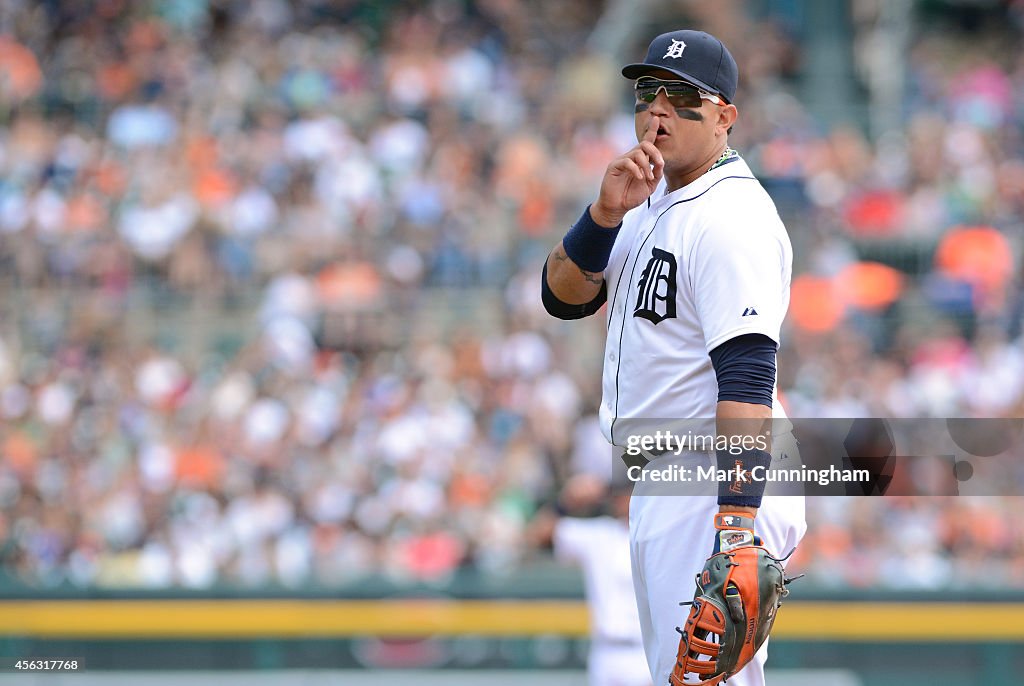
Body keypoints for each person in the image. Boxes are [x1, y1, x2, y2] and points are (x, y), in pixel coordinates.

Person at [540, 29, 806, 685]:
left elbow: (747, 374)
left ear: (724, 116)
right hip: (666, 475)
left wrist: (736, 525)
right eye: (647, 93)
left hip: (708, 476)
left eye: (683, 97)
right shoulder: (646, 197)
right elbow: (562, 297)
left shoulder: (730, 217)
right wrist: (603, 215)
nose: (659, 110)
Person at [528, 474, 652, 686]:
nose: (625, 500)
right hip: (605, 651)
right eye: (620, 495)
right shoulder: (600, 534)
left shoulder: (657, 536)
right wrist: (567, 501)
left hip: (644, 651)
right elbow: (536, 534)